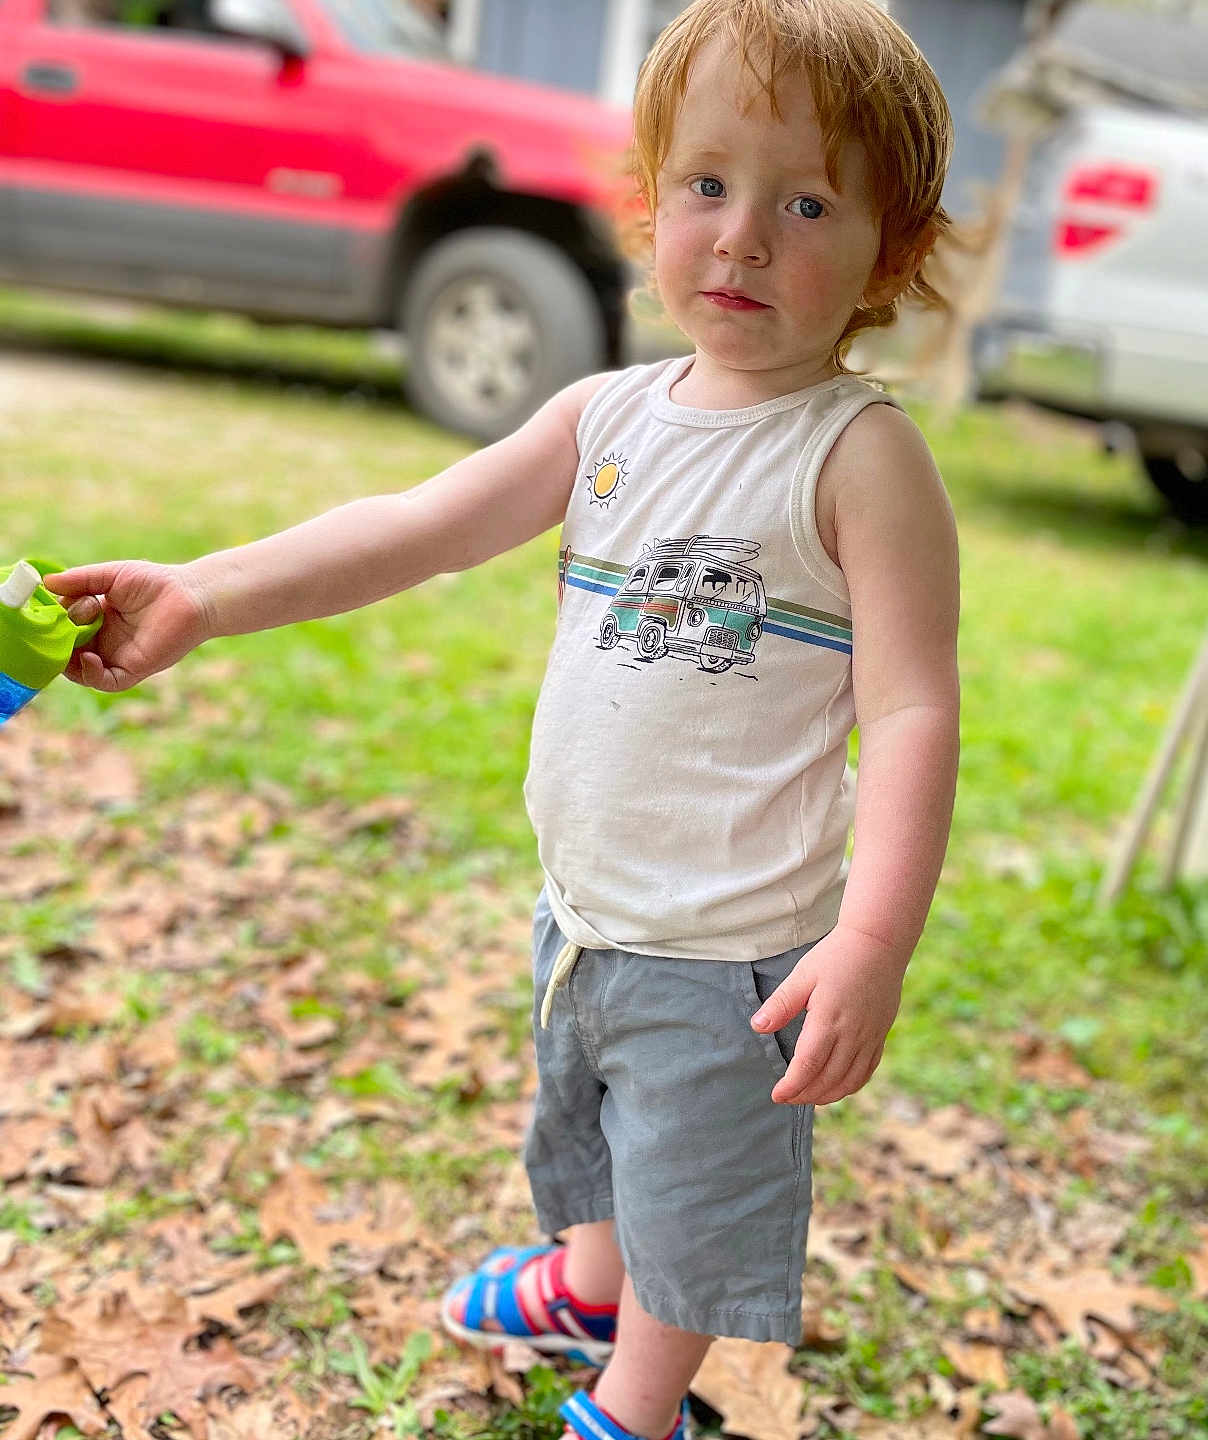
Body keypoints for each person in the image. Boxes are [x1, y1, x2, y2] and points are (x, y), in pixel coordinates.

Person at [45, 2, 960, 1435]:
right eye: (709, 186)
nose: (742, 237)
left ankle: (635, 1401)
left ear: (891, 253)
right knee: (589, 1124)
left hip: (733, 951)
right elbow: (416, 526)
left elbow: (910, 711)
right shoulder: (605, 418)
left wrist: (873, 940)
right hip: (587, 906)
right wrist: (206, 593)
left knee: (693, 1186)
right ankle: (584, 1285)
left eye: (806, 202)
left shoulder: (858, 457)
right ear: (649, 199)